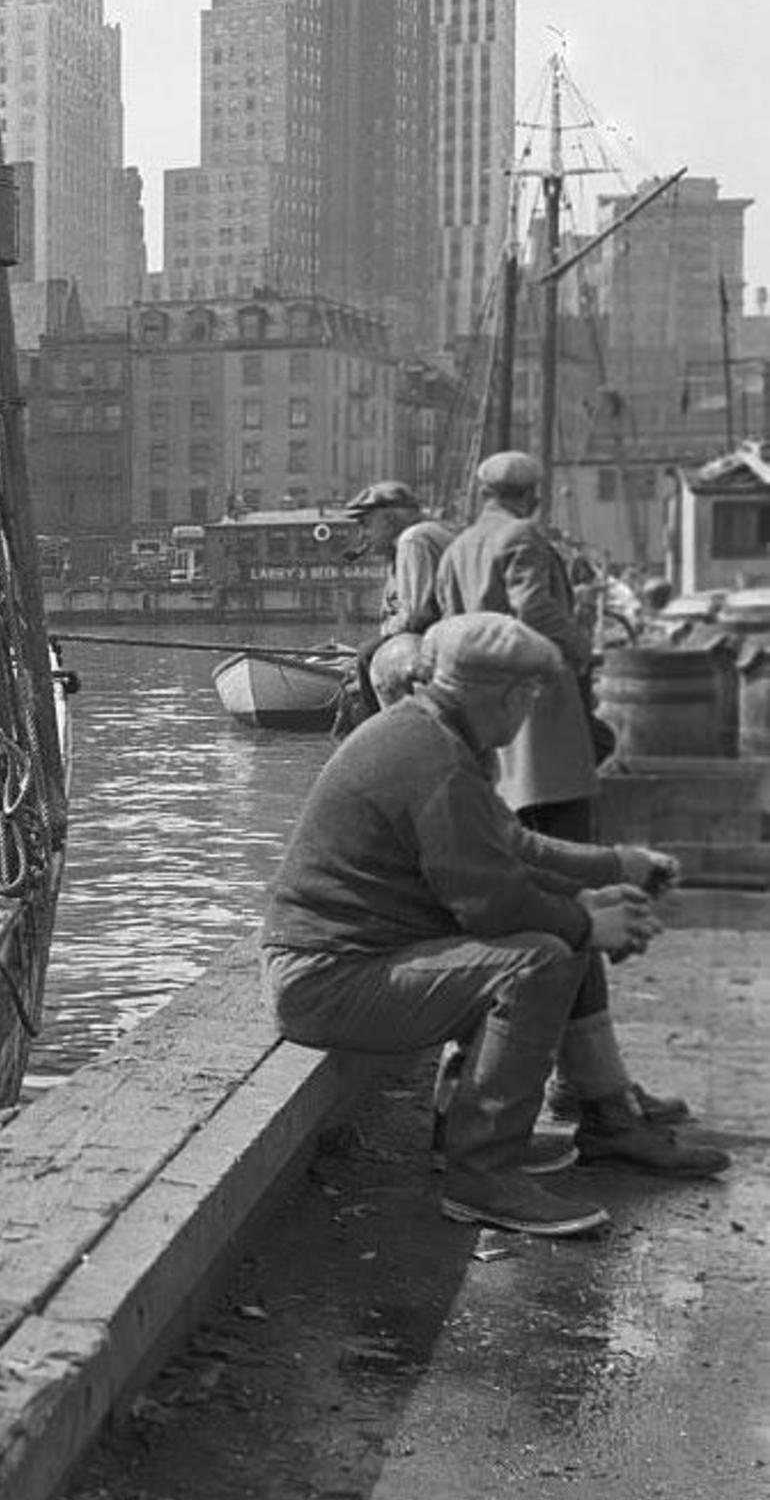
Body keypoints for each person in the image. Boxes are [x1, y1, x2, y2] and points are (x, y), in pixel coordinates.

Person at [260, 612, 727, 1238]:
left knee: (563, 935)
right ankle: (483, 1176)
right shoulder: (434, 758)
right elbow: (492, 905)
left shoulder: (433, 736)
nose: (532, 708)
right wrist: (589, 923)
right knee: (544, 956)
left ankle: (558, 1126)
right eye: (531, 694)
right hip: (326, 978)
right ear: (505, 695)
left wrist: (601, 881)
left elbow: (510, 850)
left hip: (344, 962)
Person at [438, 447, 693, 1132]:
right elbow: (537, 614)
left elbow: (441, 628)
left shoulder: (458, 545)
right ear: (536, 494)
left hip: (496, 746)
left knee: (548, 906)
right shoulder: (521, 538)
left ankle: (588, 1084)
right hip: (544, 744)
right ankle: (595, 1092)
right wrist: (581, 647)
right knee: (576, 907)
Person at [343, 478, 458, 715]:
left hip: (439, 640)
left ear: (390, 520)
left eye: (366, 524)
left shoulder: (414, 540)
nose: (363, 535)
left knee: (366, 656)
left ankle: (380, 740)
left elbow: (417, 615)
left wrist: (386, 634)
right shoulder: (422, 537)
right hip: (448, 635)